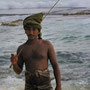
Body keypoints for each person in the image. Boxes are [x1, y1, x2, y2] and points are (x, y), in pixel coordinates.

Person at [10, 13, 61, 90]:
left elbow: (55, 65)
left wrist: (59, 86)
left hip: (45, 86)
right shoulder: (21, 48)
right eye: (28, 29)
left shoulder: (47, 45)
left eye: (34, 29)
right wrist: (14, 64)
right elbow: (18, 71)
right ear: (25, 31)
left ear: (39, 31)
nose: (31, 32)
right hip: (29, 86)